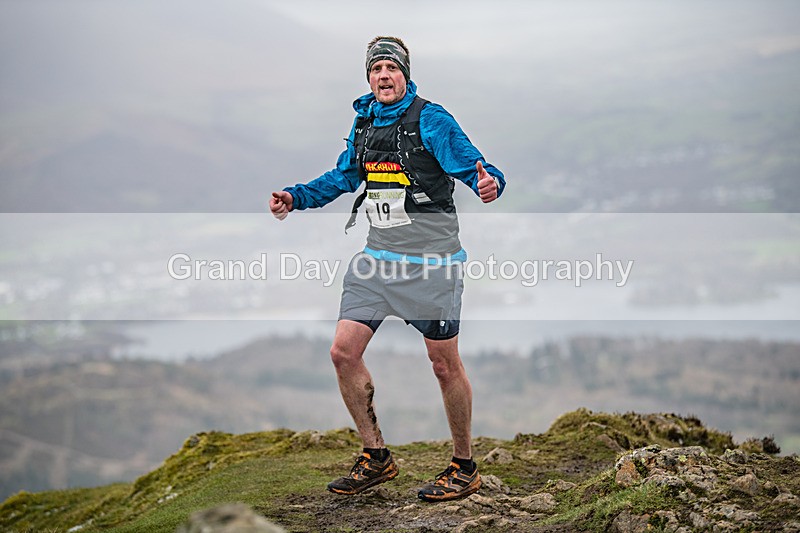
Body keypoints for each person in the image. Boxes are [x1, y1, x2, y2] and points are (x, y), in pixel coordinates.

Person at [269, 36, 505, 502]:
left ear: (405, 74)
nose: (383, 76)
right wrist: (296, 197)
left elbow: (477, 166)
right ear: (368, 78)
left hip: (432, 263)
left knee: (443, 365)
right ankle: (376, 456)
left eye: (390, 68)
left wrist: (489, 181)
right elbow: (343, 178)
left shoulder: (430, 119)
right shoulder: (365, 123)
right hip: (377, 260)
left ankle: (464, 465)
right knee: (343, 352)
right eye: (375, 69)